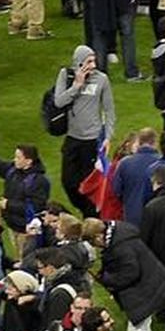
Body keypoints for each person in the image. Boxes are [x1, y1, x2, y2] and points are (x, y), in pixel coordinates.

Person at [53, 46, 116, 216]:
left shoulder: (101, 79)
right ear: (79, 62)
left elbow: (109, 110)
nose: (93, 65)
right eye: (89, 61)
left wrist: (108, 136)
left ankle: (92, 217)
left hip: (92, 140)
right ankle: (85, 210)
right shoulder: (66, 75)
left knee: (90, 183)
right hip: (72, 138)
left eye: (94, 61)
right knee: (68, 181)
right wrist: (77, 86)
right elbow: (58, 102)